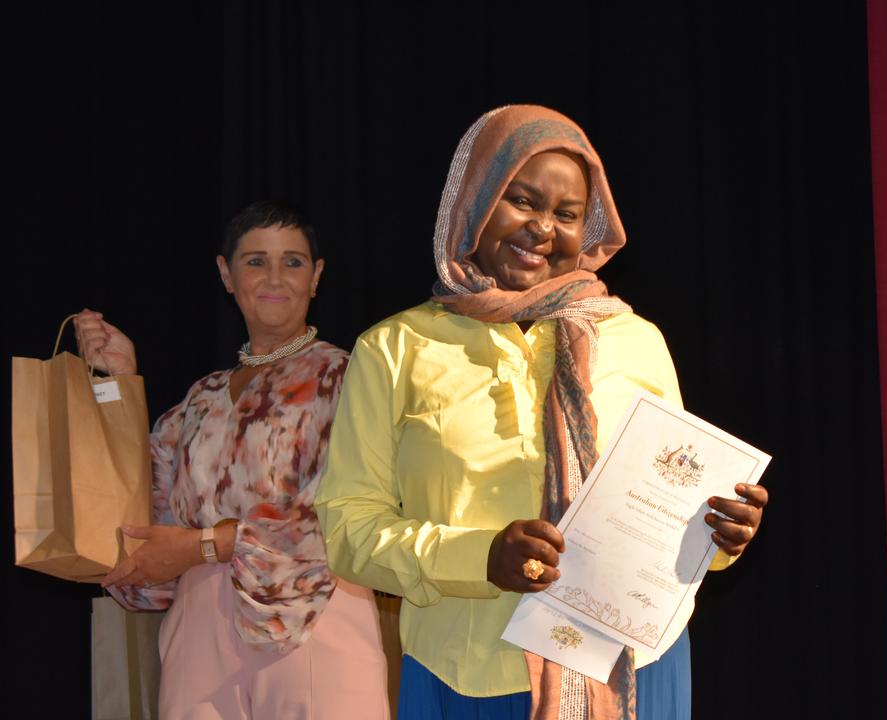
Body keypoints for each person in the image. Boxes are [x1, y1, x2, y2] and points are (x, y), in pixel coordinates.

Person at [315, 105, 769, 719]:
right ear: (475, 201)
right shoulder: (395, 348)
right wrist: (481, 558)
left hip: (632, 669)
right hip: (470, 678)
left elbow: (664, 503)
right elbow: (349, 532)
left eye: (566, 215)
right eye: (521, 201)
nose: (541, 229)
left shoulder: (635, 339)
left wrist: (718, 534)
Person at [75, 201, 388, 719]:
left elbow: (347, 517)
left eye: (293, 262)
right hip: (199, 634)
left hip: (315, 622)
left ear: (317, 277)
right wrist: (121, 382)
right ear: (226, 273)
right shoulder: (200, 398)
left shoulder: (352, 379)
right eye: (255, 261)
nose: (274, 277)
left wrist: (202, 546)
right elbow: (141, 506)